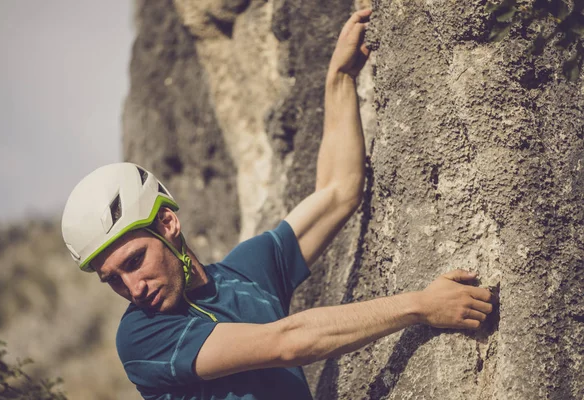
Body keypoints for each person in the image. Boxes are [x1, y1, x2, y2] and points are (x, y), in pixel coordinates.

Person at [61, 8, 496, 400]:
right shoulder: (143, 336)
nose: (132, 289)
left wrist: (340, 77)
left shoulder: (246, 274)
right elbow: (285, 342)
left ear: (168, 224)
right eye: (112, 279)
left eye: (134, 260)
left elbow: (338, 191)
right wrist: (421, 305)